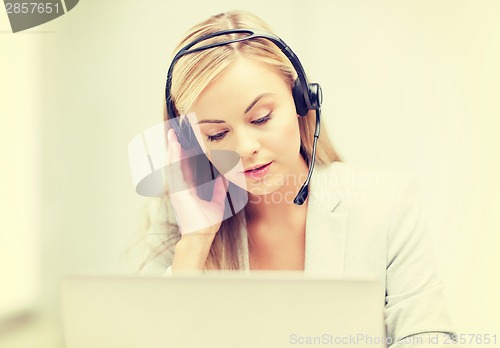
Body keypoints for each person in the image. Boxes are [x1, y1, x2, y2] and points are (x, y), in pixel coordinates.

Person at [139, 10, 456, 347]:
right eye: (216, 135)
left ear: (301, 100)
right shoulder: (179, 222)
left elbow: (428, 337)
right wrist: (195, 245)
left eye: (261, 118)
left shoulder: (387, 205)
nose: (245, 148)